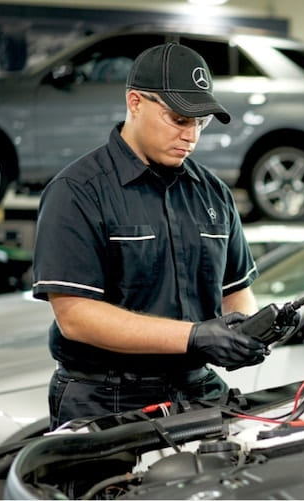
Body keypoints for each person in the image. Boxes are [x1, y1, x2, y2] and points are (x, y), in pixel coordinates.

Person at [32, 42, 269, 430]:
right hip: (106, 399)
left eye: (201, 123)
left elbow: (234, 291)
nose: (192, 136)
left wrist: (246, 334)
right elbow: (76, 317)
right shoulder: (77, 192)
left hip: (196, 389)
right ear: (135, 102)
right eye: (179, 119)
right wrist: (194, 336)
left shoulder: (213, 194)